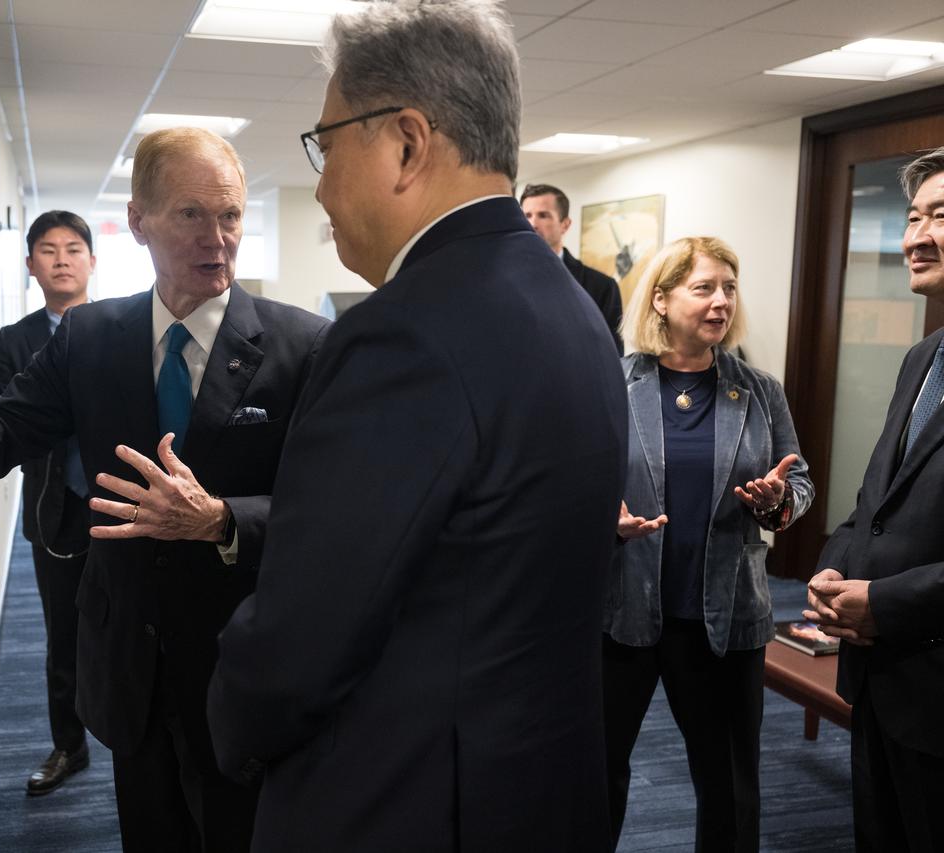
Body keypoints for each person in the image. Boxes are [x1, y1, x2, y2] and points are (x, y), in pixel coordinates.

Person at [205, 1, 628, 850]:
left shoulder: (403, 332)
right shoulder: (570, 305)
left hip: (408, 800)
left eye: (326, 144)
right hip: (538, 785)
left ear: (405, 142)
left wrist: (228, 717)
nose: (321, 184)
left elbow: (303, 640)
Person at [0, 128, 329, 852]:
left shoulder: (302, 346)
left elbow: (329, 518)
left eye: (231, 215)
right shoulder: (90, 337)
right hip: (129, 667)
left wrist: (218, 519)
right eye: (191, 214)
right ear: (139, 219)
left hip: (244, 668)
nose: (217, 238)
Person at [604, 236, 813, 852]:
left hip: (723, 620)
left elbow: (795, 480)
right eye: (704, 288)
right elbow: (573, 481)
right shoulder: (613, 383)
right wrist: (601, 517)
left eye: (729, 287)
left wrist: (779, 502)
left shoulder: (758, 389)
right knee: (597, 774)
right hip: (623, 615)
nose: (721, 301)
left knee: (728, 787)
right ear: (662, 300)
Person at [805, 146, 944, 852]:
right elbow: (874, 502)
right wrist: (834, 566)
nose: (915, 236)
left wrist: (885, 602)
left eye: (941, 216)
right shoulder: (923, 357)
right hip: (882, 685)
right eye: (913, 216)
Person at [0, 210, 97, 795]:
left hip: (126, 504)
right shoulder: (19, 339)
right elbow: (10, 422)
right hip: (53, 508)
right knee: (63, 634)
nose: (62, 259)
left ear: (91, 261)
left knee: (140, 622)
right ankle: (68, 746)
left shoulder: (124, 325)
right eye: (49, 250)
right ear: (31, 265)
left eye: (74, 248)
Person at [520, 182, 624, 353]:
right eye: (527, 215)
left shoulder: (601, 287)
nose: (533, 223)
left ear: (565, 225)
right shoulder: (503, 279)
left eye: (543, 215)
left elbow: (612, 355)